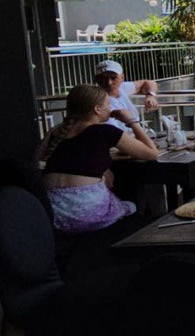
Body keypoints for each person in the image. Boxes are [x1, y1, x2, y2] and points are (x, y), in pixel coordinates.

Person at [38, 84, 160, 235]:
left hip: (54, 216)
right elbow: (152, 153)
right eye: (108, 104)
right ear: (97, 109)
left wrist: (102, 169)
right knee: (132, 205)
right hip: (88, 215)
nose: (110, 108)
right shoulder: (106, 131)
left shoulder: (56, 132)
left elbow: (44, 162)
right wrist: (131, 121)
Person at [94, 60, 159, 132]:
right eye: (103, 78)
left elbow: (149, 82)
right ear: (97, 80)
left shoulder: (122, 88)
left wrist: (150, 96)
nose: (109, 83)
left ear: (122, 77)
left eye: (113, 78)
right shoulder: (96, 99)